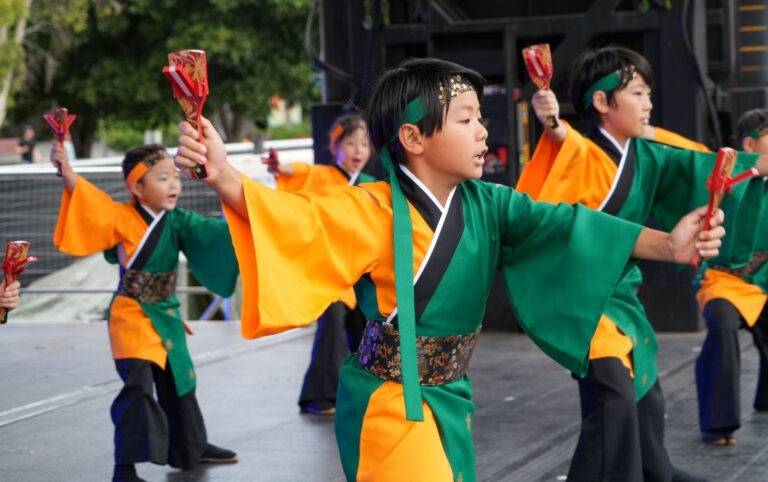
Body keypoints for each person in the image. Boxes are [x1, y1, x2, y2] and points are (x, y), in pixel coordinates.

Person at [175, 57, 725, 482]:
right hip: (390, 403)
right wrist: (223, 175)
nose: (483, 131)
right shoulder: (375, 208)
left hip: (451, 396)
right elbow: (298, 220)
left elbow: (571, 226)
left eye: (480, 118)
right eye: (466, 120)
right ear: (413, 138)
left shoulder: (489, 203)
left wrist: (670, 246)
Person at [517, 45, 768, 482]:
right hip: (581, 299)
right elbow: (565, 142)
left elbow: (702, 167)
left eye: (648, 93)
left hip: (620, 297)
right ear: (601, 102)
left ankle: (654, 474)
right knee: (613, 394)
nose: (648, 103)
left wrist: (757, 166)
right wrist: (552, 120)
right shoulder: (582, 152)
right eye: (637, 92)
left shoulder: (647, 154)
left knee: (646, 403)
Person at [51, 143, 240, 482]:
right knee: (138, 389)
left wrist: (245, 215)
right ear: (137, 188)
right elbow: (90, 202)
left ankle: (191, 447)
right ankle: (124, 468)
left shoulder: (177, 220)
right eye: (163, 178)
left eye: (175, 178)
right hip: (132, 315)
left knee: (180, 380)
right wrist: (67, 173)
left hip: (165, 313)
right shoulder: (121, 217)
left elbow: (216, 235)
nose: (174, 186)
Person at [262, 113, 376, 415]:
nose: (358, 151)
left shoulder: (371, 185)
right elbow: (294, 172)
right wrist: (279, 167)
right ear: (334, 146)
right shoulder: (321, 176)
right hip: (328, 271)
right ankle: (320, 396)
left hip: (362, 273)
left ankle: (366, 392)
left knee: (368, 331)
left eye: (364, 144)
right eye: (350, 143)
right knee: (333, 326)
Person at [694, 108, 768, 447]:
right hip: (725, 280)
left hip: (765, 279)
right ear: (750, 144)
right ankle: (718, 424)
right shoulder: (724, 179)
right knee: (722, 326)